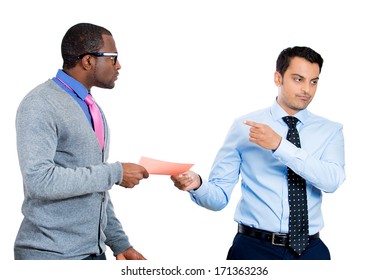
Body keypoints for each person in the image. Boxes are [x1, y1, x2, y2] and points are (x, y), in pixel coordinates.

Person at [171, 46, 346, 260]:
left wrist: (280, 145)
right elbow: (219, 198)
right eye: (298, 79)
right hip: (253, 249)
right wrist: (197, 184)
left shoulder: (330, 130)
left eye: (314, 81)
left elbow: (332, 181)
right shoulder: (244, 127)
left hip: (311, 251)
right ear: (278, 78)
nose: (307, 90)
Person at [14, 23, 149, 260]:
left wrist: (118, 242)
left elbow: (93, 184)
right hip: (50, 256)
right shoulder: (40, 104)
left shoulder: (91, 107)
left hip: (91, 253)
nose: (119, 66)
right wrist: (115, 173)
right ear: (88, 61)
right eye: (113, 58)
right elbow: (39, 180)